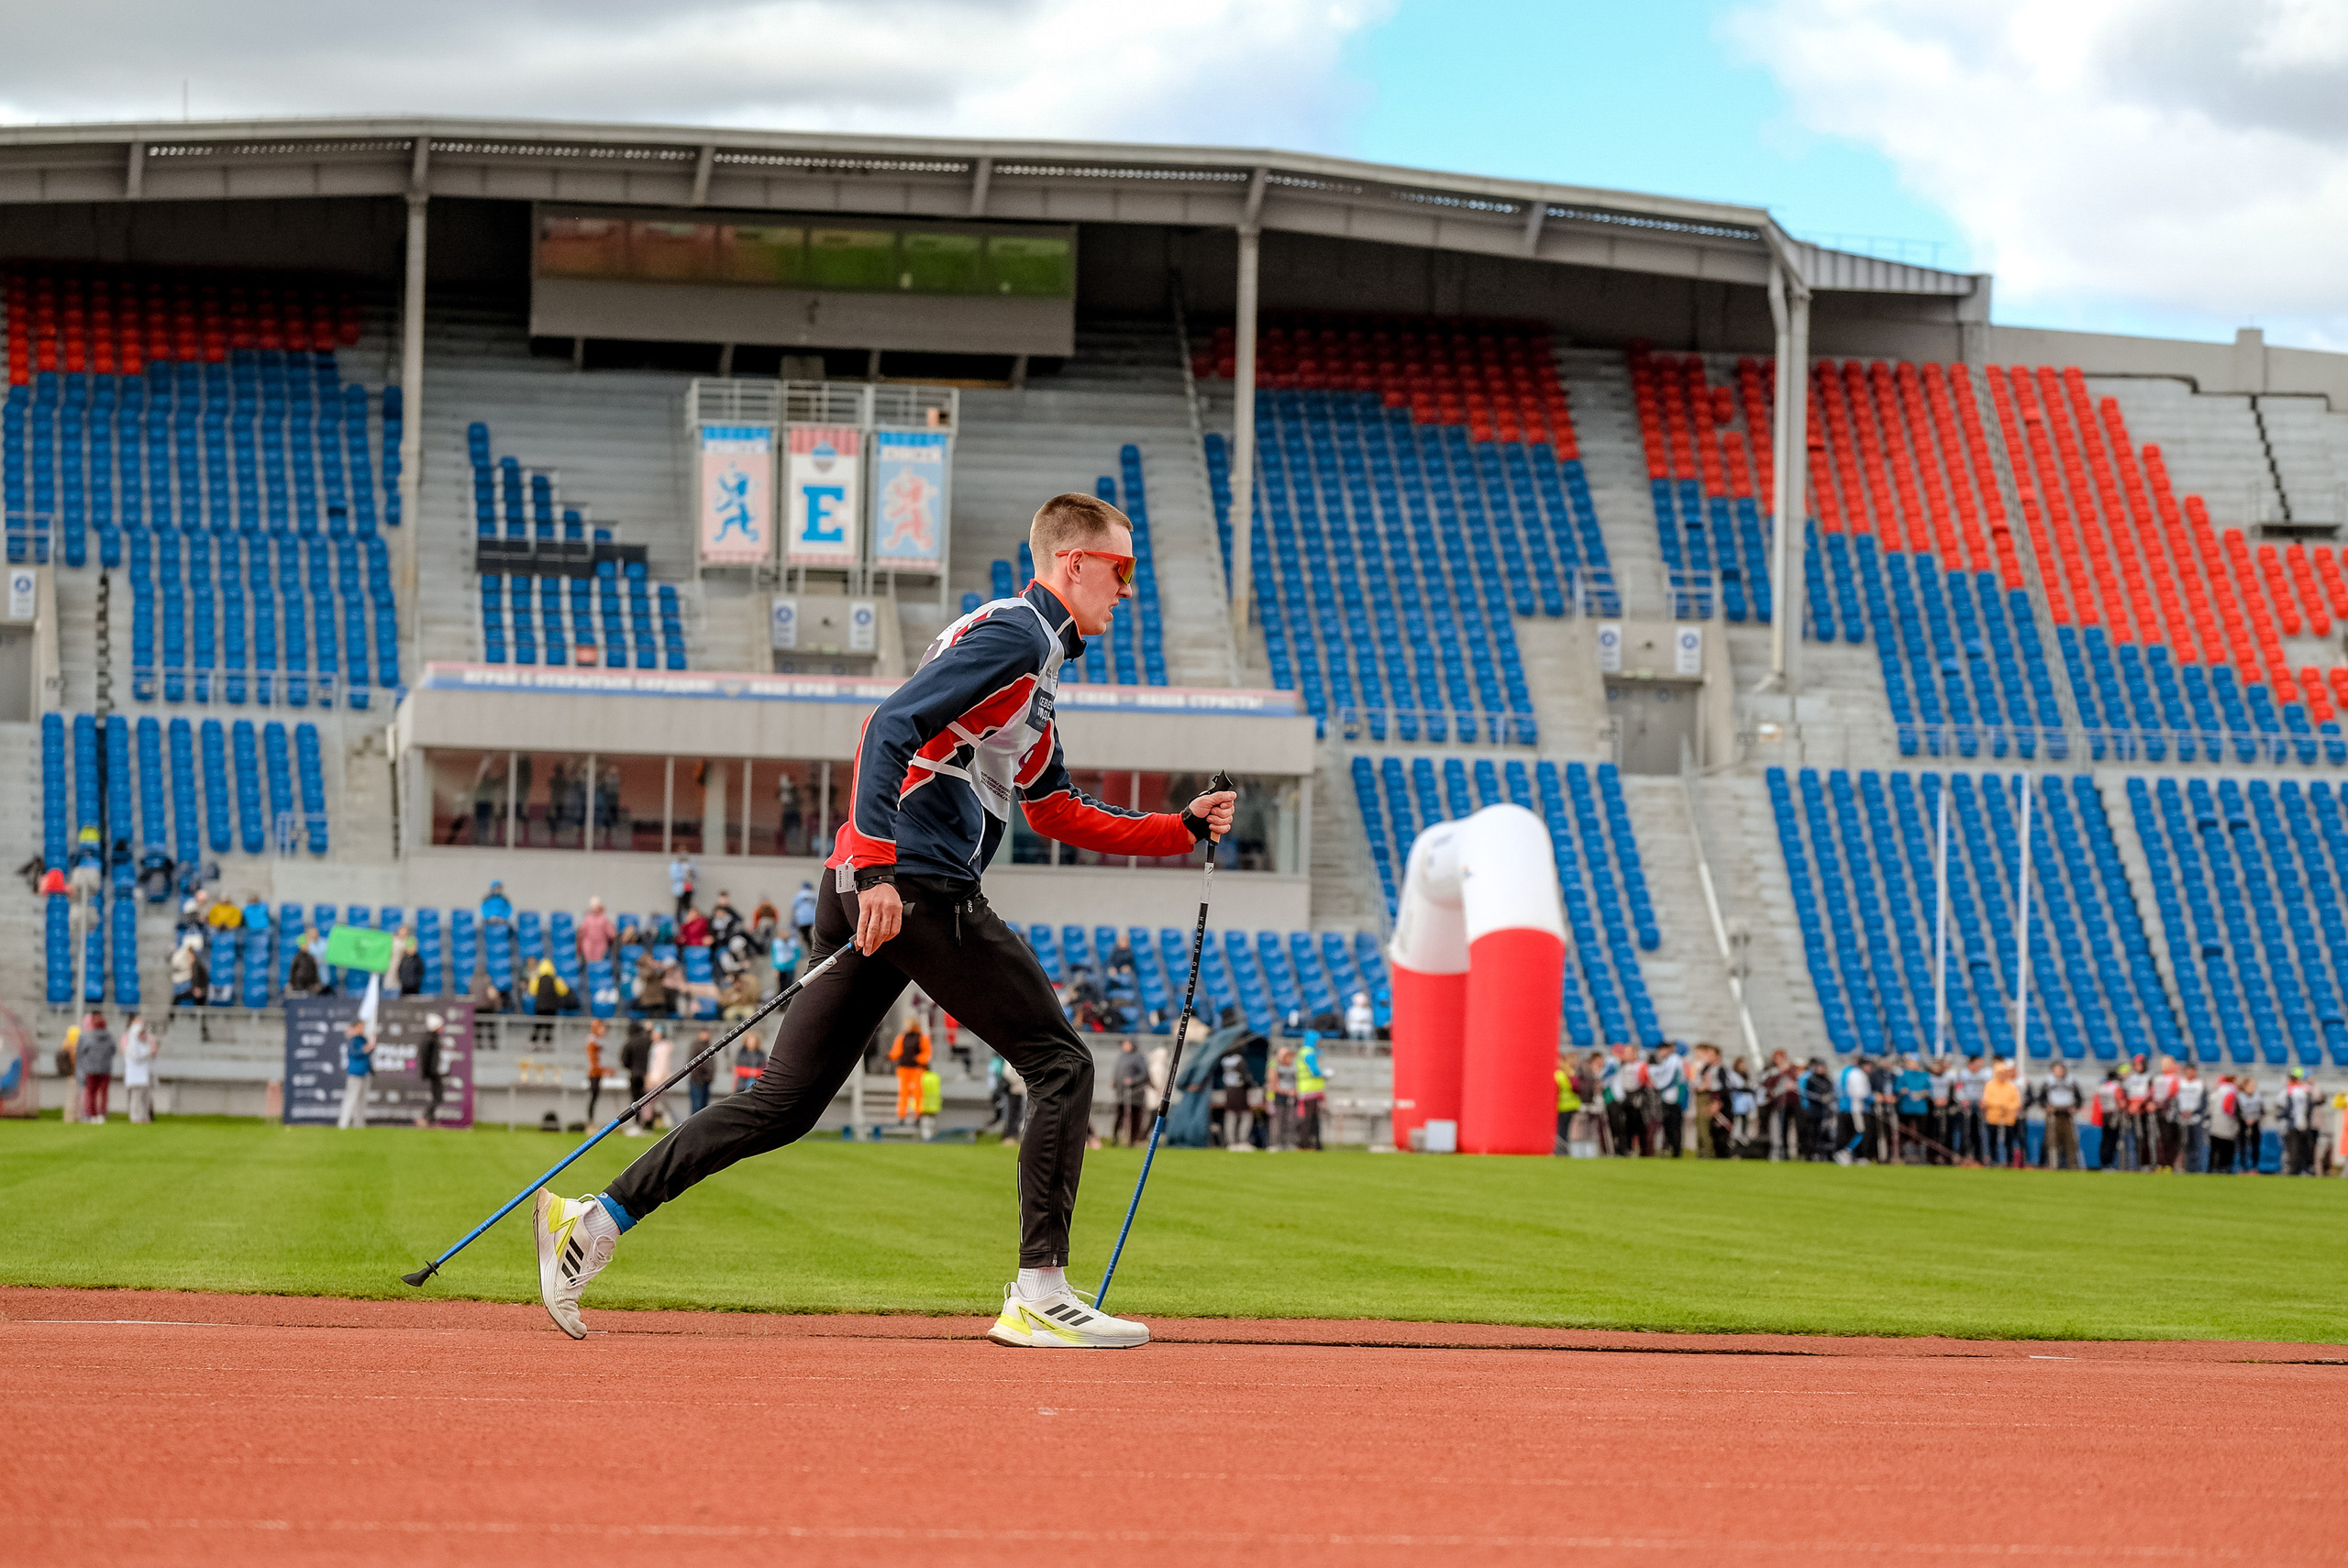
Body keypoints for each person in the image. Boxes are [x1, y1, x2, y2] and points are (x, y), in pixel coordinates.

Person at [527, 492, 1236, 1351]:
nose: (1127, 589)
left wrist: (1180, 828)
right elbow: (887, 725)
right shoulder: (1017, 637)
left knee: (785, 1103)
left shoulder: (1034, 670)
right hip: (913, 885)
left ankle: (592, 1223)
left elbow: (1053, 808)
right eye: (1121, 570)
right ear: (1073, 562)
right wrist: (876, 871)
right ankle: (1040, 1293)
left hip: (878, 883)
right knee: (1061, 1063)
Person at [1214, 1032, 1257, 1149]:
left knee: (1230, 1115)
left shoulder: (1225, 1060)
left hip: (1229, 1091)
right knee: (1245, 1115)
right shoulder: (1239, 1060)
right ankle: (1242, 1140)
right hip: (1239, 1090)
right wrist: (1253, 1084)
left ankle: (1230, 1141)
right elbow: (1246, 1077)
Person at [889, 1014, 932, 1125]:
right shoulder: (902, 1037)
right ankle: (902, 1116)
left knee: (917, 1092)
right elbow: (897, 1051)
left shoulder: (922, 1037)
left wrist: (918, 1059)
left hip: (917, 1069)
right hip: (904, 1068)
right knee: (903, 1093)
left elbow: (926, 1053)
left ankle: (917, 1115)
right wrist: (890, 1056)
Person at [2041, 1061, 2083, 1171]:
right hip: (2054, 1114)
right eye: (2057, 1070)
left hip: (2067, 1114)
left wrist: (2076, 1108)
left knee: (2071, 1141)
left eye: (2061, 1070)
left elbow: (2079, 1097)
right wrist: (2046, 1107)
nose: (2060, 1072)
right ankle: (2053, 1165)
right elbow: (2041, 1098)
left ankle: (2073, 1166)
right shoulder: (2049, 1081)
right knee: (2052, 1141)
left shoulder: (2071, 1081)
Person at [76, 1010, 116, 1123]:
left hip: (91, 1070)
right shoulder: (110, 1037)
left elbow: (81, 1053)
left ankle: (92, 1115)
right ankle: (102, 1114)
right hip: (105, 1070)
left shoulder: (87, 1037)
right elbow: (113, 1050)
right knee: (103, 1094)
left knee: (91, 1094)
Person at [1111, 1037, 1151, 1146]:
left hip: (1134, 1094)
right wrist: (1115, 1081)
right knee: (1119, 1116)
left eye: (1127, 1043)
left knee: (1134, 1118)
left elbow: (1144, 1075)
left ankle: (1132, 1140)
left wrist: (1133, 1081)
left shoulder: (1138, 1057)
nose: (1125, 1046)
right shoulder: (1122, 1057)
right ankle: (1115, 1139)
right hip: (1121, 1093)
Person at [1982, 1061, 2022, 1167]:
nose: (2001, 1075)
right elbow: (1987, 1100)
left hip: (2008, 1118)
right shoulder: (1989, 1085)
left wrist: (2007, 1107)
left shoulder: (2012, 1086)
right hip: (1993, 1117)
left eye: (2003, 1073)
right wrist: (2000, 1105)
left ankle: (2009, 1161)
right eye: (1999, 1073)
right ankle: (1993, 1160)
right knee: (1992, 1140)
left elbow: (2017, 1102)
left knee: (2009, 1141)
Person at [1835, 1056, 1874, 1165]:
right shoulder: (1858, 1074)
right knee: (1861, 1132)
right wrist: (1874, 1098)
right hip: (1856, 1108)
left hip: (1849, 1107)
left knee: (1853, 1131)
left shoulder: (1848, 1072)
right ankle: (1846, 1152)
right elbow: (1861, 1093)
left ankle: (1856, 1155)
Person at [1648, 1045, 1686, 1157]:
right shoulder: (1667, 1061)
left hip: (1674, 1097)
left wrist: (1657, 1085)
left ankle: (1676, 1152)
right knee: (1668, 1125)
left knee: (1674, 1126)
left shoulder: (1674, 1060)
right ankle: (1671, 1149)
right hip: (1667, 1097)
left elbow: (1669, 1078)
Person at [1294, 1031, 1328, 1151]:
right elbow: (1314, 1070)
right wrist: (1325, 1074)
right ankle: (1306, 1143)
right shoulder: (1308, 1053)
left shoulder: (1303, 1052)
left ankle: (1310, 1143)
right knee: (1310, 1119)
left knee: (1311, 1118)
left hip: (1307, 1090)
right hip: (1310, 1091)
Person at [122, 1012, 157, 1123]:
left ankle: (144, 1117)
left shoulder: (144, 1043)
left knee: (145, 1099)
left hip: (144, 1075)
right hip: (135, 1075)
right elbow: (135, 1056)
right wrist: (148, 1053)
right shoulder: (131, 1042)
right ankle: (136, 1118)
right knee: (136, 1099)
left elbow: (152, 1054)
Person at [2280, 1068, 2318, 1176]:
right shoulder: (2305, 1090)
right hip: (2302, 1123)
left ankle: (2295, 1170)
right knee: (2300, 1149)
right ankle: (2301, 1169)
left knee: (2294, 1149)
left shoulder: (2290, 1091)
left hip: (2295, 1124)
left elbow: (2284, 1109)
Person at [337, 1020, 371, 1130]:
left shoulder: (363, 1039)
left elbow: (369, 1052)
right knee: (351, 1099)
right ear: (355, 1027)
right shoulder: (353, 1040)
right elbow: (354, 1053)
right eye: (360, 1026)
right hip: (355, 1073)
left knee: (362, 1101)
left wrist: (371, 1045)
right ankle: (343, 1124)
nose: (362, 1029)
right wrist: (365, 1049)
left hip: (365, 1072)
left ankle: (359, 1124)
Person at [619, 1020, 652, 1136]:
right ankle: (646, 1124)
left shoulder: (629, 1043)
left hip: (634, 1074)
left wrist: (631, 1067)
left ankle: (636, 1124)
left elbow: (624, 1060)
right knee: (647, 1100)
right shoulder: (647, 1041)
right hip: (647, 1074)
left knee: (635, 1100)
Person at [2175, 1061, 2208, 1174]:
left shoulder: (2200, 1084)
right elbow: (2176, 1100)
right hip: (2182, 1118)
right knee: (2183, 1144)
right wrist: (2180, 1112)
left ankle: (2194, 1168)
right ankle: (2184, 1167)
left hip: (2195, 1118)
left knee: (2196, 1144)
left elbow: (2204, 1103)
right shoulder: (2180, 1083)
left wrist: (2193, 1112)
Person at [415, 1012, 447, 1128]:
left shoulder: (432, 1038)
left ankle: (430, 1119)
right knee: (437, 1097)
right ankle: (426, 1117)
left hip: (435, 1072)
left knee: (437, 1096)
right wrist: (430, 1072)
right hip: (434, 1073)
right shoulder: (430, 1039)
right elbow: (426, 1057)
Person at [2207, 1075, 2241, 1174]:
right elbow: (2228, 1108)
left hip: (2214, 1123)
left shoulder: (2216, 1092)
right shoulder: (2231, 1092)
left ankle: (2212, 1167)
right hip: (2226, 1124)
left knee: (2214, 1148)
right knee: (2226, 1148)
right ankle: (2224, 1167)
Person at [577, 898, 617, 968]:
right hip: (593, 948)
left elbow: (612, 934)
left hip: (596, 948)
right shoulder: (602, 918)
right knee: (596, 967)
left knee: (593, 967)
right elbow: (612, 934)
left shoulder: (589, 918)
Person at [584, 1020, 609, 1125]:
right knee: (593, 1097)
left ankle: (591, 1121)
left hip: (596, 1073)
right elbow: (593, 1062)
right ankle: (590, 1122)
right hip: (594, 1074)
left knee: (594, 1098)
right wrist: (604, 1070)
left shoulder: (596, 1041)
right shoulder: (592, 1043)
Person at [687, 1029, 717, 1117]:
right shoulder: (696, 1046)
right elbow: (691, 1062)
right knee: (697, 1105)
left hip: (706, 1080)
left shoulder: (709, 1045)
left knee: (704, 1105)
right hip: (697, 1080)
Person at [287, 931, 321, 997]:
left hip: (309, 984)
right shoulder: (297, 957)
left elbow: (314, 970)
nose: (308, 945)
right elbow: (293, 970)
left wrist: (317, 982)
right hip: (299, 983)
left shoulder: (311, 957)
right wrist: (291, 983)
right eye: (307, 943)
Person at [395, 928, 424, 997]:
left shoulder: (417, 959)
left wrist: (416, 981)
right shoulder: (404, 959)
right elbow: (400, 970)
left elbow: (421, 970)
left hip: (414, 985)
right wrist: (403, 980)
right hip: (404, 985)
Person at [791, 880, 818, 951]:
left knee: (804, 934)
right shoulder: (814, 894)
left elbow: (794, 907)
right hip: (813, 918)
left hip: (802, 919)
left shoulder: (799, 895)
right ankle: (811, 948)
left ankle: (808, 949)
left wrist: (793, 919)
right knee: (811, 934)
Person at [670, 854, 697, 922]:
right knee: (679, 905)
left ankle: (689, 920)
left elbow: (696, 875)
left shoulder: (691, 864)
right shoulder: (675, 865)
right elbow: (674, 876)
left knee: (688, 905)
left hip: (688, 887)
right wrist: (684, 874)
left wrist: (691, 873)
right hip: (680, 888)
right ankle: (679, 921)